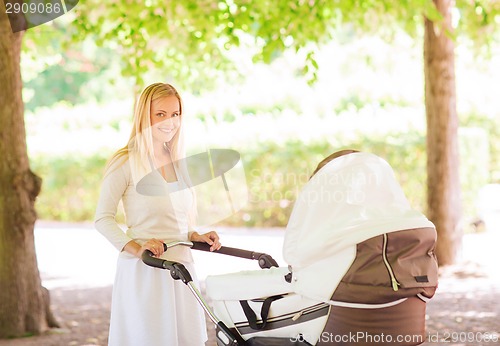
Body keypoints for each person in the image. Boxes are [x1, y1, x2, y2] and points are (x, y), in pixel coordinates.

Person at [94, 82, 221, 346]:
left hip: (182, 270)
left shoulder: (178, 161)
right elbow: (102, 219)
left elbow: (176, 219)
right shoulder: (125, 161)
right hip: (147, 270)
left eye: (175, 114)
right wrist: (138, 248)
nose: (169, 122)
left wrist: (197, 235)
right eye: (160, 114)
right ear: (144, 116)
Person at [283, 149, 438, 345]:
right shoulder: (392, 224)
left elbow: (299, 256)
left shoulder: (342, 234)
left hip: (340, 316)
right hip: (406, 323)